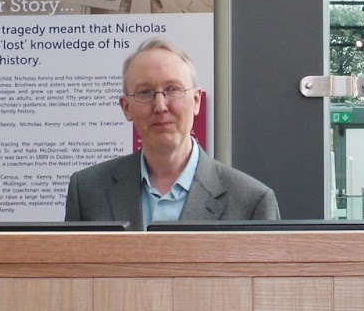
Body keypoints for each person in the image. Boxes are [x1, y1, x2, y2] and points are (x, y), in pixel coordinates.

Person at [64, 38, 278, 230]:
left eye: (173, 89)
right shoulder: (88, 191)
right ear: (126, 107)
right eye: (145, 92)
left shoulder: (251, 202)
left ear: (196, 101)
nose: (160, 106)